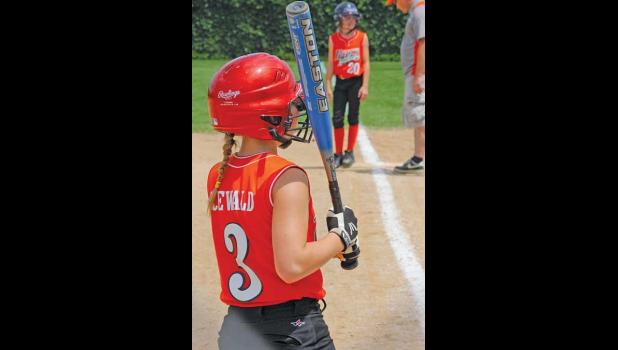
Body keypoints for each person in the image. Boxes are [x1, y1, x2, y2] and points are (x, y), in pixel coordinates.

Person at [206, 52, 360, 350]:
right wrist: (341, 237)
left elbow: (260, 240)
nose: (294, 111)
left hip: (237, 330)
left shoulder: (218, 175)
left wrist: (332, 248)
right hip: (292, 330)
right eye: (289, 105)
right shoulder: (286, 176)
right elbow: (292, 265)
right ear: (265, 113)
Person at [326, 1, 370, 169]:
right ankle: (337, 154)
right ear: (339, 19)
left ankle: (349, 152)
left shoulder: (361, 37)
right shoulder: (333, 39)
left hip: (355, 82)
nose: (350, 20)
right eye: (346, 17)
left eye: (353, 17)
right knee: (337, 118)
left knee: (353, 116)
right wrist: (328, 83)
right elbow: (330, 63)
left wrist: (364, 85)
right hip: (341, 83)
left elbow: (366, 63)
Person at [387, 0, 425, 173]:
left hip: (419, 74)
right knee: (419, 118)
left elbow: (423, 44)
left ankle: (419, 158)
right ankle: (418, 157)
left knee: (420, 117)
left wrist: (418, 76)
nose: (396, 6)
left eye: (395, 2)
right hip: (417, 73)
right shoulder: (418, 11)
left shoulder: (420, 12)